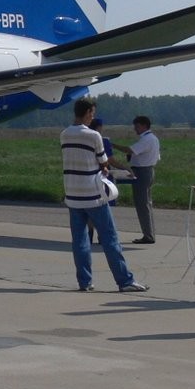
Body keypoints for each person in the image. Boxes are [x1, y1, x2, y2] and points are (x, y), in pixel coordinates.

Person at [60, 98, 148, 294]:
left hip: (73, 194)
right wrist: (107, 170)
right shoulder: (93, 136)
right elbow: (103, 162)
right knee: (110, 238)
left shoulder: (64, 134)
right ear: (88, 112)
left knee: (80, 240)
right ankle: (124, 279)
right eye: (92, 113)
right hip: (93, 194)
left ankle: (85, 281)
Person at [122, 115, 162, 244]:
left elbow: (130, 150)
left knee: (142, 204)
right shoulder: (153, 139)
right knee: (146, 204)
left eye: (137, 126)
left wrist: (111, 145)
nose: (135, 129)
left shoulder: (147, 139)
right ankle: (149, 233)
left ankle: (148, 235)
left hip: (142, 172)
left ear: (144, 125)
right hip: (148, 171)